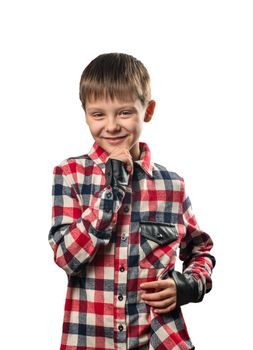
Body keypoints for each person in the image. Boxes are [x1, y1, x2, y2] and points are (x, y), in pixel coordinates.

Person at [48, 52, 215, 350]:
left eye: (124, 113)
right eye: (98, 114)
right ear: (85, 112)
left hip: (160, 340)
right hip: (89, 340)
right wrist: (111, 191)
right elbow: (66, 257)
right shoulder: (69, 174)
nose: (111, 126)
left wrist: (189, 285)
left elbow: (201, 250)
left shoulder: (172, 185)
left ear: (147, 110)